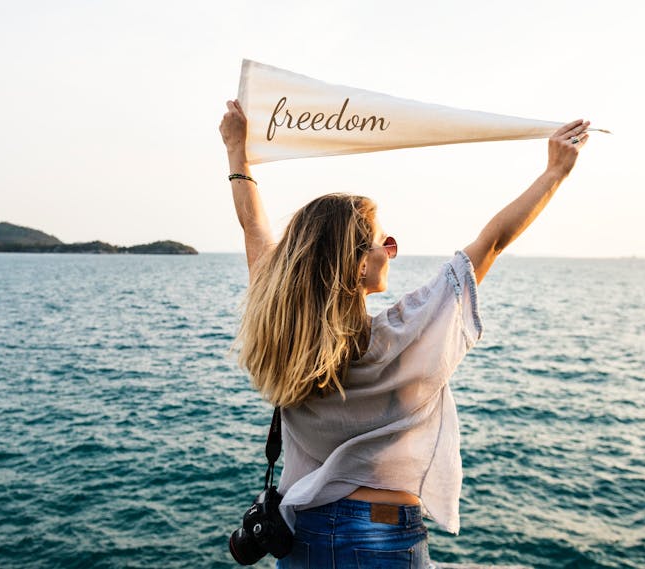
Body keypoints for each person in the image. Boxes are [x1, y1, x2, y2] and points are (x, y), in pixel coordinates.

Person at [220, 99, 588, 568]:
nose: (391, 251)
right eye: (384, 242)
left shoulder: (281, 335)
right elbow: (492, 241)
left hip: (303, 536)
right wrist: (556, 171)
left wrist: (236, 151)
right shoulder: (402, 335)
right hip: (383, 535)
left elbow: (254, 227)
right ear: (357, 265)